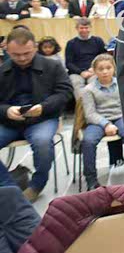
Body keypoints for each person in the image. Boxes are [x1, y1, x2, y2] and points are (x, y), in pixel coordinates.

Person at [0, 28, 72, 202]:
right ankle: (10, 187)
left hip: (42, 118)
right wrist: (6, 111)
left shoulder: (53, 66)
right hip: (9, 121)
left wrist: (44, 107)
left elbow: (65, 92)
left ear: (35, 47)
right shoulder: (2, 70)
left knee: (42, 143)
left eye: (27, 53)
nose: (22, 58)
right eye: (16, 55)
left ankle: (36, 185)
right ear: (7, 50)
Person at [80, 54, 124, 190]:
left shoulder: (122, 84)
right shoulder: (88, 90)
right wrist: (106, 124)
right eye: (100, 69)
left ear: (114, 68)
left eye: (108, 68)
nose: (105, 72)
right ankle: (91, 180)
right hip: (97, 120)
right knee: (88, 141)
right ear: (94, 71)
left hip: (120, 117)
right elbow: (90, 114)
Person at [65, 18, 106, 104]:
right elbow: (68, 63)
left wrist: (94, 69)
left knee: (96, 83)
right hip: (77, 73)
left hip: (94, 71)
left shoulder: (98, 41)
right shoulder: (71, 43)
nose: (84, 30)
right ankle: (82, 108)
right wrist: (81, 72)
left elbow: (103, 57)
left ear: (90, 28)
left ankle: (99, 106)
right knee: (76, 84)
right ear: (77, 28)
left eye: (86, 28)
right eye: (81, 28)